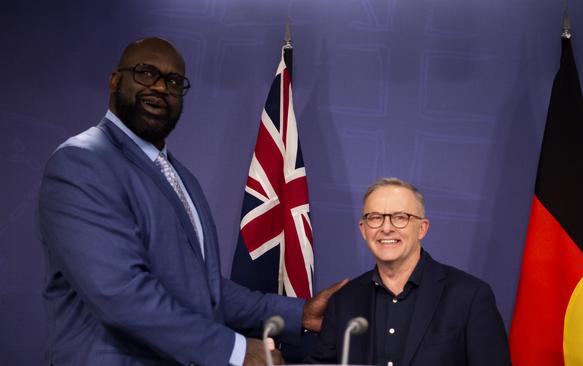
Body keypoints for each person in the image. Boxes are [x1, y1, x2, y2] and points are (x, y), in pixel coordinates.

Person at [38, 37, 344, 366]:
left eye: (173, 81)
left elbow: (205, 289)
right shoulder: (82, 162)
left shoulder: (180, 177)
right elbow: (121, 296)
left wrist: (300, 314)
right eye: (145, 73)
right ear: (115, 80)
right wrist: (235, 351)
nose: (159, 87)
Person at [305, 178, 511, 365]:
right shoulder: (344, 300)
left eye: (400, 217)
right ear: (363, 230)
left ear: (422, 228)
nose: (386, 228)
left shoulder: (469, 296)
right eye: (375, 218)